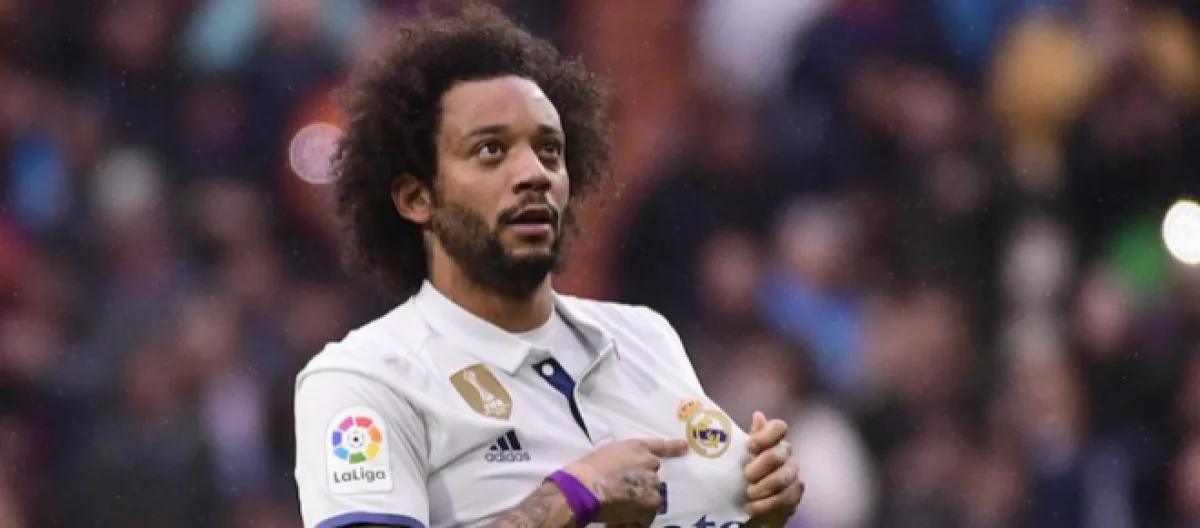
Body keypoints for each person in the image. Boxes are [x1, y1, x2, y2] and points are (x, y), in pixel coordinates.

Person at [292, 5, 805, 528]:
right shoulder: (365, 381)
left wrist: (761, 509)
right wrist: (570, 497)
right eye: (491, 150)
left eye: (549, 150)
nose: (534, 172)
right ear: (416, 198)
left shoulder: (645, 337)